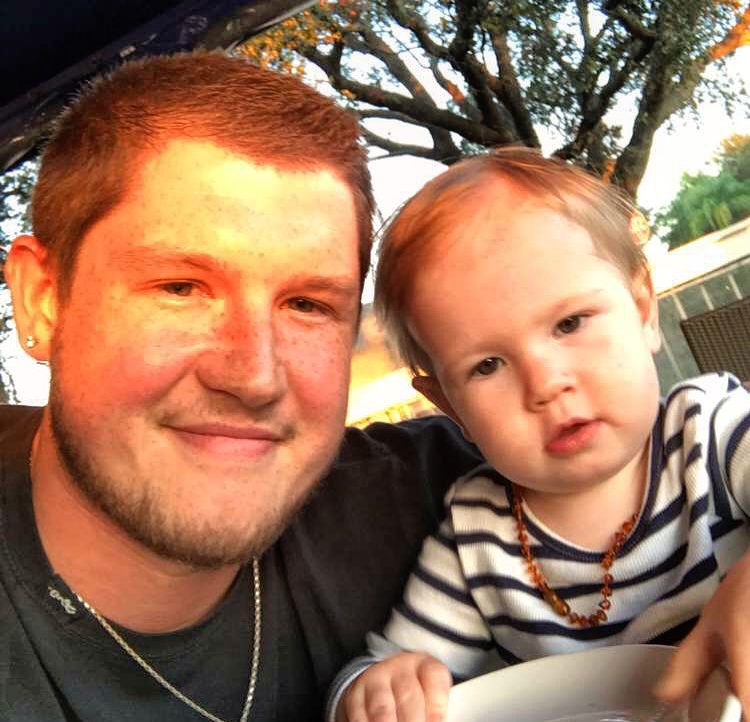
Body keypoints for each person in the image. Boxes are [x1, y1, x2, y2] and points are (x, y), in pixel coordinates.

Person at [0, 50, 485, 721]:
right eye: (180, 287)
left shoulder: (458, 501)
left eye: (307, 304)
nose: (254, 376)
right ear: (42, 299)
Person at [330, 148, 750, 722]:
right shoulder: (478, 538)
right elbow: (387, 667)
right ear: (449, 406)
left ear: (642, 310)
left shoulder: (711, 433)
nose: (546, 384)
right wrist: (377, 689)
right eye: (487, 366)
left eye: (569, 323)